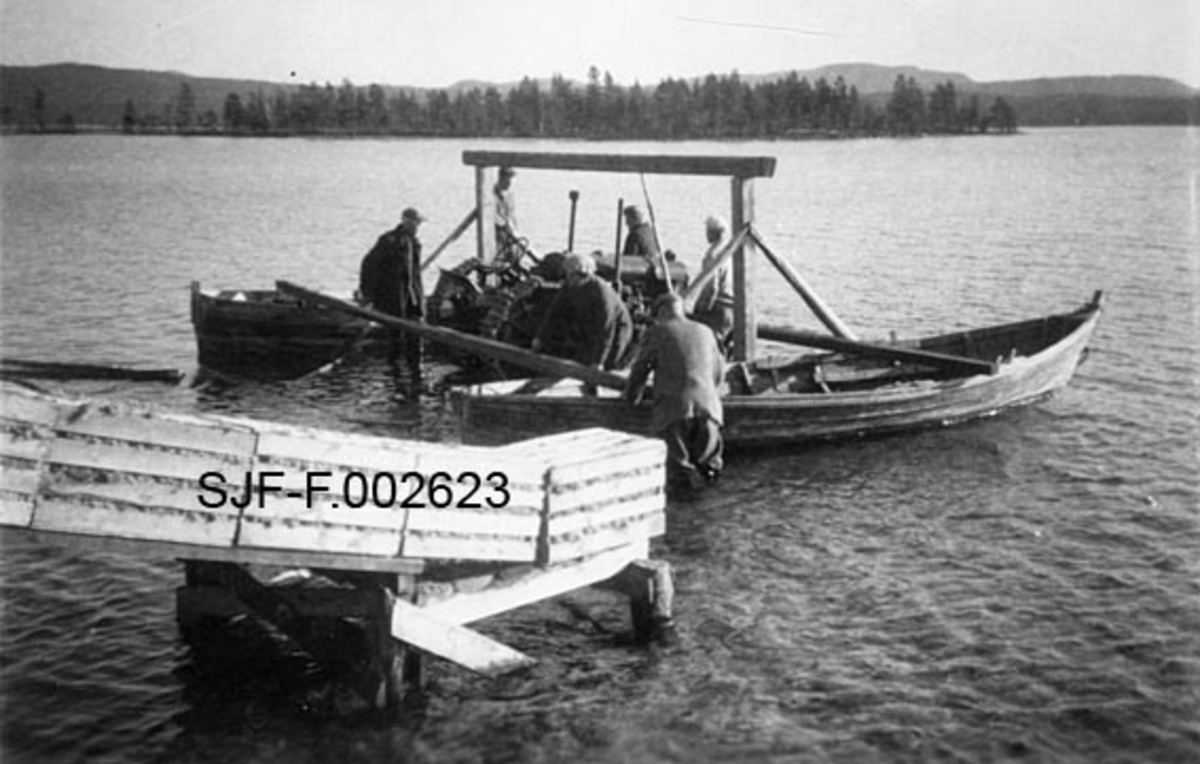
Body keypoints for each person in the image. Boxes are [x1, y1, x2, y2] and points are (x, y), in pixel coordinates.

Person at [624, 292, 725, 496]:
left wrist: (631, 398)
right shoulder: (706, 331)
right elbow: (719, 373)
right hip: (710, 409)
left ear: (660, 313)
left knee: (680, 474)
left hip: (674, 411)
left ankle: (682, 521)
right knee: (710, 469)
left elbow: (640, 370)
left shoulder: (657, 331)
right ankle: (709, 514)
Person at [532, 251, 634, 371]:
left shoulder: (601, 292)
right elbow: (553, 313)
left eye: (571, 275)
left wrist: (599, 362)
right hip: (591, 326)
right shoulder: (569, 286)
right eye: (567, 275)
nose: (567, 279)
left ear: (583, 275)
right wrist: (539, 338)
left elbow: (607, 330)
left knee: (609, 364)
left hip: (617, 329)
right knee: (583, 360)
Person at [358, 207, 426, 369]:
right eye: (416, 223)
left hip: (413, 299)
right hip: (394, 298)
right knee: (395, 338)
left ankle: (415, 370)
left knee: (416, 338)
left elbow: (415, 274)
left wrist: (420, 300)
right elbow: (368, 265)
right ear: (406, 221)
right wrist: (368, 293)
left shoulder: (414, 243)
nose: (418, 227)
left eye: (418, 224)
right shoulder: (389, 240)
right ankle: (394, 376)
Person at [690, 215, 735, 351]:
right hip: (733, 307)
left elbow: (711, 287)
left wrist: (701, 309)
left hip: (718, 309)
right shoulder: (731, 251)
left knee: (706, 346)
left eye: (707, 230)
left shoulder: (712, 255)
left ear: (713, 232)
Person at [493, 166, 520, 259]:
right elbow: (490, 216)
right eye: (508, 181)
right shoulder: (490, 195)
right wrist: (504, 224)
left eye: (511, 181)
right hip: (497, 236)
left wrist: (515, 230)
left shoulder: (510, 195)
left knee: (514, 258)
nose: (510, 184)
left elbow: (512, 214)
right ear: (501, 178)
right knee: (498, 260)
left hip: (511, 236)